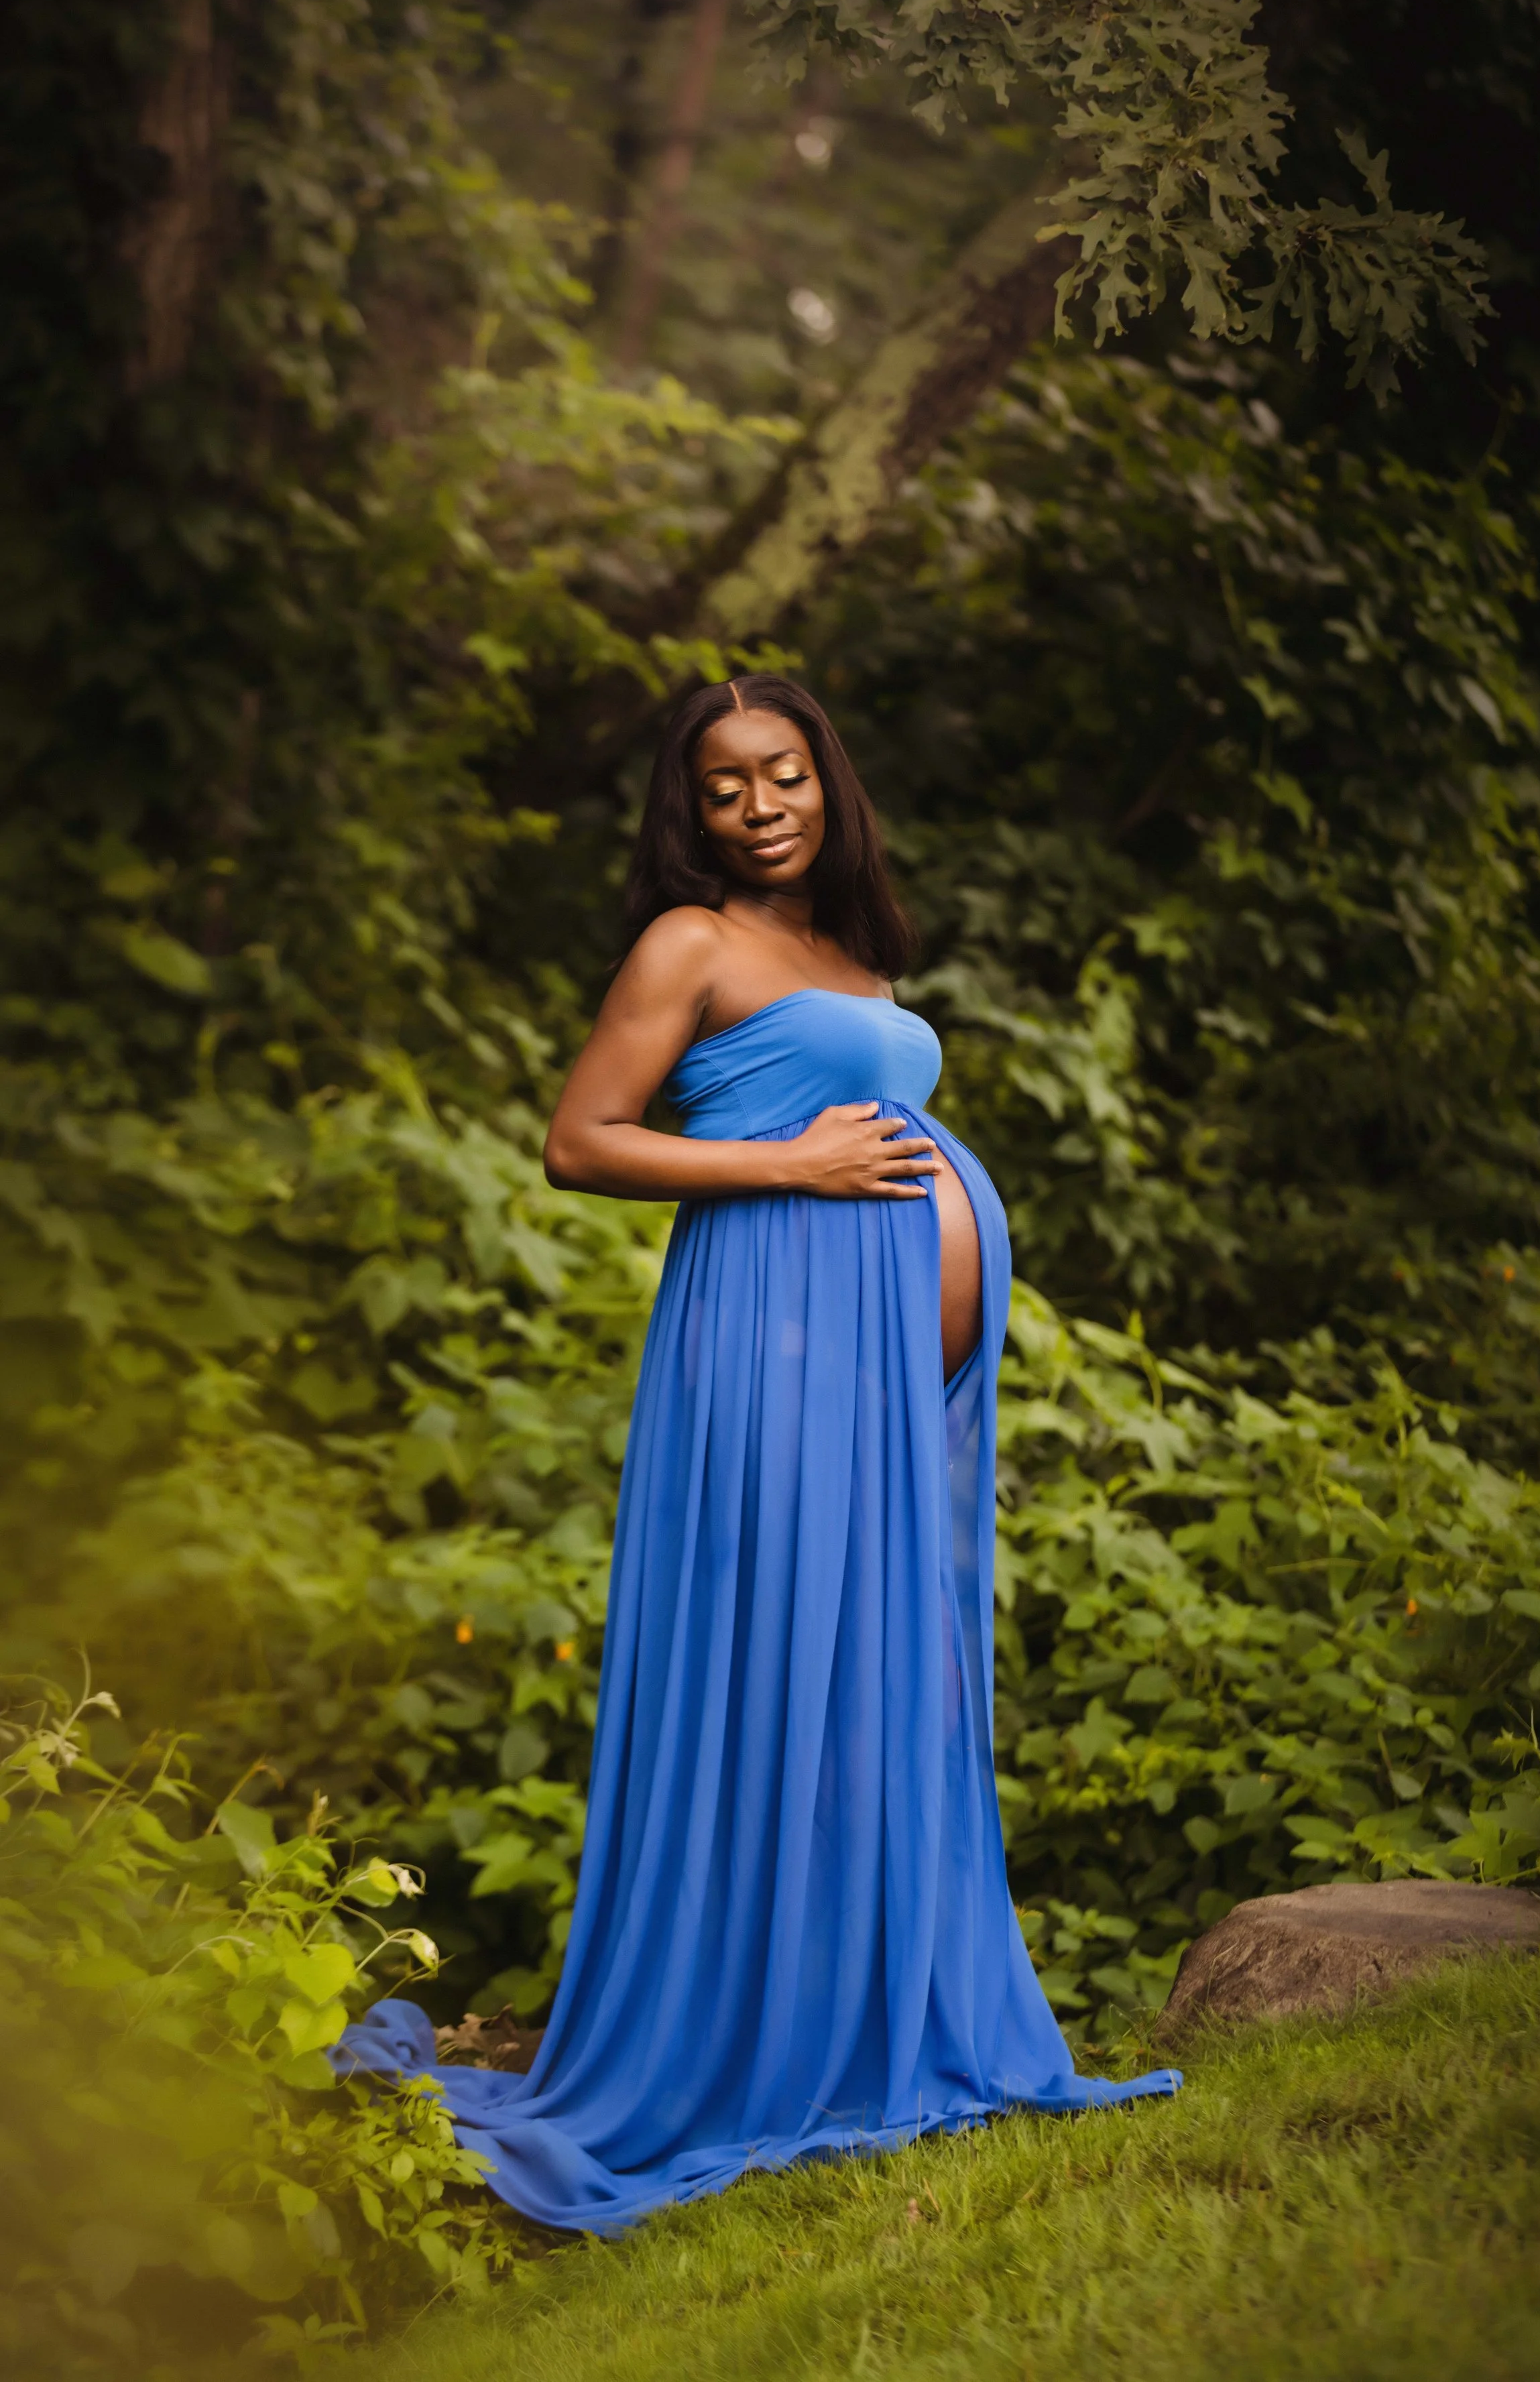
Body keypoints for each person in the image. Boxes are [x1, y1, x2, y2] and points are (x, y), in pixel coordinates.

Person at [336, 674, 1179, 2231]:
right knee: (785, 1669)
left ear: (824, 780)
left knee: (879, 1678)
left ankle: (869, 2028)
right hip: (771, 1351)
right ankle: (746, 2049)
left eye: (783, 772)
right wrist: (782, 1160)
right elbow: (579, 1137)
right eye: (726, 786)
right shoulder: (690, 943)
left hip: (882, 1377)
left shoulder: (849, 948)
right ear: (692, 809)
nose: (761, 803)